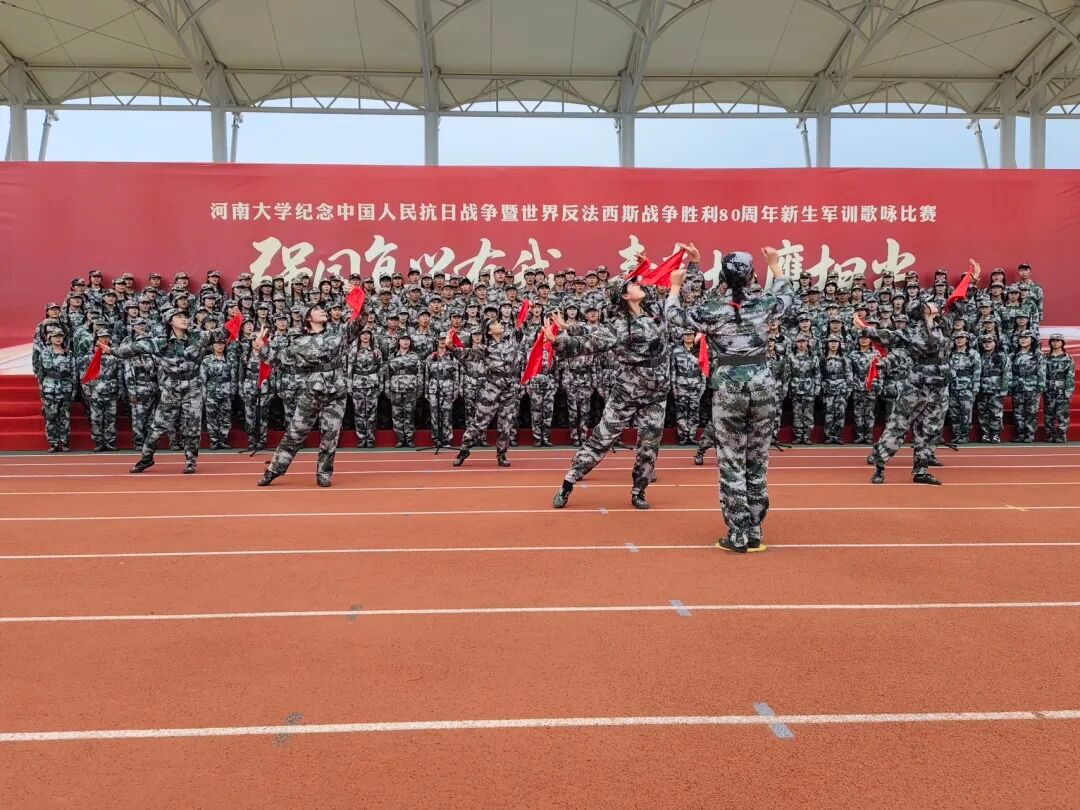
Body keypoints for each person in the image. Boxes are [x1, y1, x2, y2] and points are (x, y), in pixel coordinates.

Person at [666, 246, 795, 552]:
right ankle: (755, 528)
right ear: (752, 276)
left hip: (729, 389)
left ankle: (738, 532)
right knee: (757, 459)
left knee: (731, 460)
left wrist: (675, 286)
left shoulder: (713, 309)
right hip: (763, 385)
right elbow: (788, 296)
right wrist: (775, 266)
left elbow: (674, 316)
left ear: (723, 277)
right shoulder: (765, 303)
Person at [545, 257, 679, 511]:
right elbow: (590, 343)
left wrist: (646, 266)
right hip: (627, 393)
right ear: (625, 296)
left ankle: (639, 491)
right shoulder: (618, 327)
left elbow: (656, 280)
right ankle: (568, 482)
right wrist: (559, 341)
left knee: (649, 445)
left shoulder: (654, 310)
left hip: (656, 394)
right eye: (632, 284)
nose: (638, 285)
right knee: (602, 439)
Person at [255, 299, 365, 487]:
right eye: (316, 309)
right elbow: (279, 359)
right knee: (295, 434)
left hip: (336, 393)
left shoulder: (338, 333)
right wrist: (261, 347)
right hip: (313, 392)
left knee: (330, 437)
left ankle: (324, 473)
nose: (322, 311)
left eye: (322, 308)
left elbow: (360, 320)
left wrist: (358, 295)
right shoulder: (300, 342)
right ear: (308, 317)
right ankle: (274, 470)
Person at [855, 297, 949, 486]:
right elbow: (889, 337)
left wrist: (971, 285)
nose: (934, 305)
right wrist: (865, 329)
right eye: (929, 304)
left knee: (929, 429)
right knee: (898, 425)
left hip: (939, 386)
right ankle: (880, 466)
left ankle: (921, 470)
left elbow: (956, 306)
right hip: (916, 386)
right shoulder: (911, 332)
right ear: (922, 311)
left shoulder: (942, 326)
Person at [106, 308, 213, 475]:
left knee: (192, 427)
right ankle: (146, 458)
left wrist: (237, 319)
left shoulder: (197, 336)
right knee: (157, 427)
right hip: (171, 390)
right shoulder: (160, 342)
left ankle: (190, 460)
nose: (184, 319)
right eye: (179, 317)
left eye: (185, 316)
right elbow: (134, 348)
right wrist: (111, 350)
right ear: (170, 321)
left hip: (192, 389)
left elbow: (221, 333)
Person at [451, 318, 522, 468]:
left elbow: (520, 325)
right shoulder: (485, 348)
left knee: (505, 424)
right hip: (492, 388)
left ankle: (501, 454)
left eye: (498, 322)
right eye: (495, 324)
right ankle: (464, 448)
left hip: (510, 387)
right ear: (489, 331)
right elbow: (466, 354)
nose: (500, 324)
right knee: (480, 421)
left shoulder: (511, 340)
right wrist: (451, 346)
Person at [38, 327, 76, 453]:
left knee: (64, 416)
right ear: (50, 338)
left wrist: (73, 389)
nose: (58, 338)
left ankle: (64, 442)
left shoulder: (68, 353)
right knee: (51, 416)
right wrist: (41, 388)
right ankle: (53, 443)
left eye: (60, 336)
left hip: (65, 387)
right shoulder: (44, 353)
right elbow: (41, 372)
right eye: (55, 336)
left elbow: (73, 373)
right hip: (49, 388)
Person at [348, 328, 383, 448]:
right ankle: (362, 438)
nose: (365, 336)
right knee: (359, 413)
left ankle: (371, 439)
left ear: (371, 336)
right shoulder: (354, 350)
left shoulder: (376, 351)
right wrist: (349, 384)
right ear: (359, 336)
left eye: (368, 334)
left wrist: (381, 384)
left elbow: (380, 368)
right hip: (358, 384)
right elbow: (350, 368)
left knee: (372, 413)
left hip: (372, 384)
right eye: (362, 334)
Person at [386, 334, 422, 448]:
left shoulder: (415, 356)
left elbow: (419, 373)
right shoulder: (392, 356)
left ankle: (409, 439)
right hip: (395, 389)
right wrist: (387, 388)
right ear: (399, 342)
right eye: (403, 340)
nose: (405, 342)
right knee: (397, 415)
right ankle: (400, 439)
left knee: (409, 414)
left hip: (410, 388)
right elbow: (387, 374)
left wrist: (419, 388)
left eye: (407, 340)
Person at [671, 331, 706, 445]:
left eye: (691, 334)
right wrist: (674, 387)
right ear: (682, 336)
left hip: (696, 385)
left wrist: (703, 386)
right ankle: (683, 436)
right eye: (686, 334)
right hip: (681, 385)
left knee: (694, 411)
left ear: (694, 336)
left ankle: (691, 436)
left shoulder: (699, 351)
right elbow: (673, 370)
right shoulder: (676, 351)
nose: (689, 336)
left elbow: (703, 370)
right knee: (681, 411)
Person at [1009, 329, 1045, 443]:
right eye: (1021, 338)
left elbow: (1042, 372)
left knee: (1031, 412)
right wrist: (1010, 386)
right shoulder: (1013, 355)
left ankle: (1029, 434)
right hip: (1017, 387)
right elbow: (1009, 372)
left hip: (1032, 387)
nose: (1023, 340)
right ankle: (1020, 433)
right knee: (1018, 412)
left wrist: (1040, 388)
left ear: (1032, 340)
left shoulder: (1038, 355)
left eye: (1026, 338)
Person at [200, 332, 235, 450]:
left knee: (225, 418)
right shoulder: (207, 360)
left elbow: (233, 377)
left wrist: (232, 391)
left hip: (226, 392)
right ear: (212, 346)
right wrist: (204, 394)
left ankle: (223, 440)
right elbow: (203, 378)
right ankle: (214, 441)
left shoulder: (229, 359)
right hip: (211, 392)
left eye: (222, 344)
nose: (219, 346)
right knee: (211, 418)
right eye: (217, 344)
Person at [946, 332, 981, 444]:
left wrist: (975, 387)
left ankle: (964, 435)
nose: (959, 340)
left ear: (967, 340)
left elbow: (977, 371)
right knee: (954, 412)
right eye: (957, 338)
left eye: (961, 338)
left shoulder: (973, 353)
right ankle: (957, 434)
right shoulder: (950, 353)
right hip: (952, 386)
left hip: (967, 387)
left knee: (966, 412)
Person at [820, 335, 853, 444]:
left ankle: (838, 436)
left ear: (839, 344)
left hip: (841, 388)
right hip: (827, 388)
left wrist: (849, 389)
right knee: (828, 412)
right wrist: (821, 388)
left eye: (836, 342)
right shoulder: (823, 358)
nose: (833, 344)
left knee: (840, 413)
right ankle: (829, 436)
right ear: (827, 344)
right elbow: (819, 374)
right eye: (831, 342)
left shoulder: (845, 359)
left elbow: (849, 374)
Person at [1043, 333, 1075, 443]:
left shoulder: (1068, 358)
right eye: (1053, 340)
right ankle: (1050, 435)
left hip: (1062, 390)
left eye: (1058, 340)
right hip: (1048, 389)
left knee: (1062, 414)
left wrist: (1068, 391)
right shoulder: (1045, 357)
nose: (1055, 342)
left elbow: (1070, 376)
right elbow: (1042, 374)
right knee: (1049, 415)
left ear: (1062, 342)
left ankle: (1061, 435)